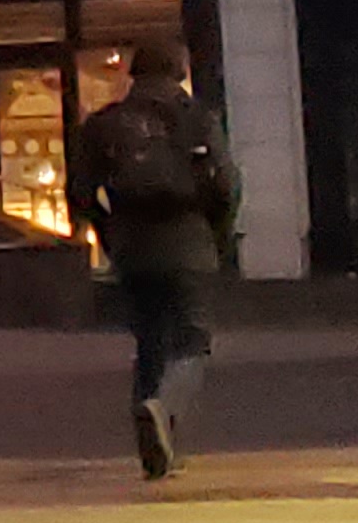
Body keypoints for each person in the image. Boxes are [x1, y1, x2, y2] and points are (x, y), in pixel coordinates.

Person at [66, 40, 240, 479]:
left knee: (149, 341)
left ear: (134, 73)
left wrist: (108, 234)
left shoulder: (104, 124)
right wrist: (217, 238)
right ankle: (162, 409)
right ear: (179, 71)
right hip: (188, 239)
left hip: (132, 244)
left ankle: (153, 447)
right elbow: (226, 187)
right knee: (192, 340)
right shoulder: (196, 118)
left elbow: (80, 194)